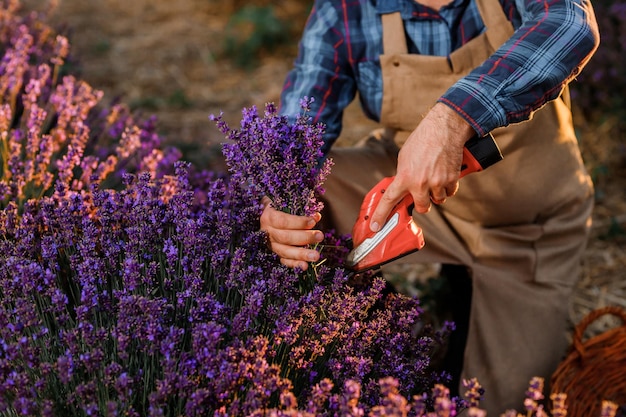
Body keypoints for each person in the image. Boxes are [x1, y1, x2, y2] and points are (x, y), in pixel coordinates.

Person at [260, 0, 599, 412]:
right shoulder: (344, 10)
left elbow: (570, 23)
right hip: (418, 201)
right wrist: (279, 204)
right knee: (300, 202)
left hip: (529, 230)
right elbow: (297, 132)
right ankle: (393, 332)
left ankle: (463, 310)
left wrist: (452, 120)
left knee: (508, 404)